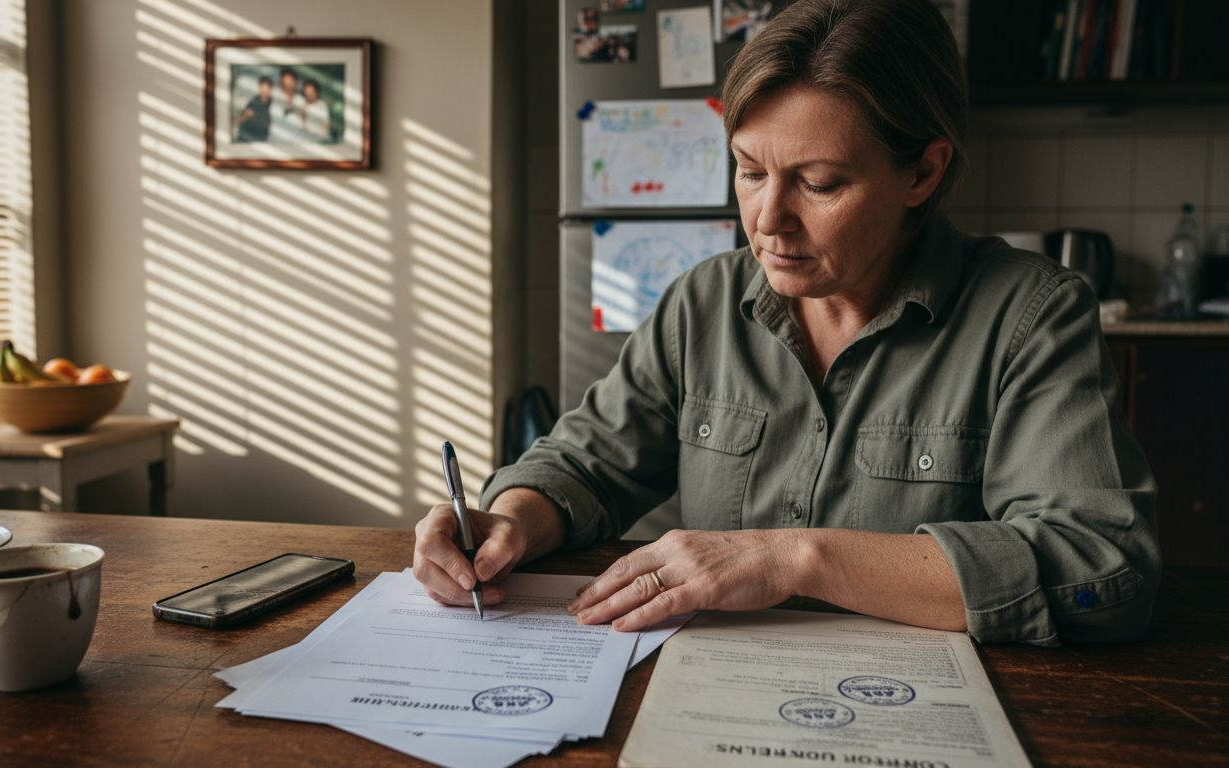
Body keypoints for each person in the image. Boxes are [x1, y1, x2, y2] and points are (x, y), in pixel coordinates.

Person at [413, 0, 1160, 646]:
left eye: (819, 183)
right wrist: (509, 522)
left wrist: (794, 559)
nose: (768, 220)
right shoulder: (702, 303)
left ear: (923, 173)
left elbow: (1102, 570)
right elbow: (585, 465)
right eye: (749, 171)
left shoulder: (1031, 316)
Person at [269, 67, 304, 144]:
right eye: (285, 81)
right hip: (274, 137)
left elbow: (303, 122)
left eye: (291, 81)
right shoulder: (274, 94)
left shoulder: (301, 101)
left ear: (296, 82)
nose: (288, 84)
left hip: (294, 140)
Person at [234, 75, 272, 142]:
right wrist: (245, 116)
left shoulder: (272, 104)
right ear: (259, 88)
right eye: (262, 88)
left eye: (266, 89)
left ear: (270, 90)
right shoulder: (252, 103)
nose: (264, 91)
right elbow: (239, 119)